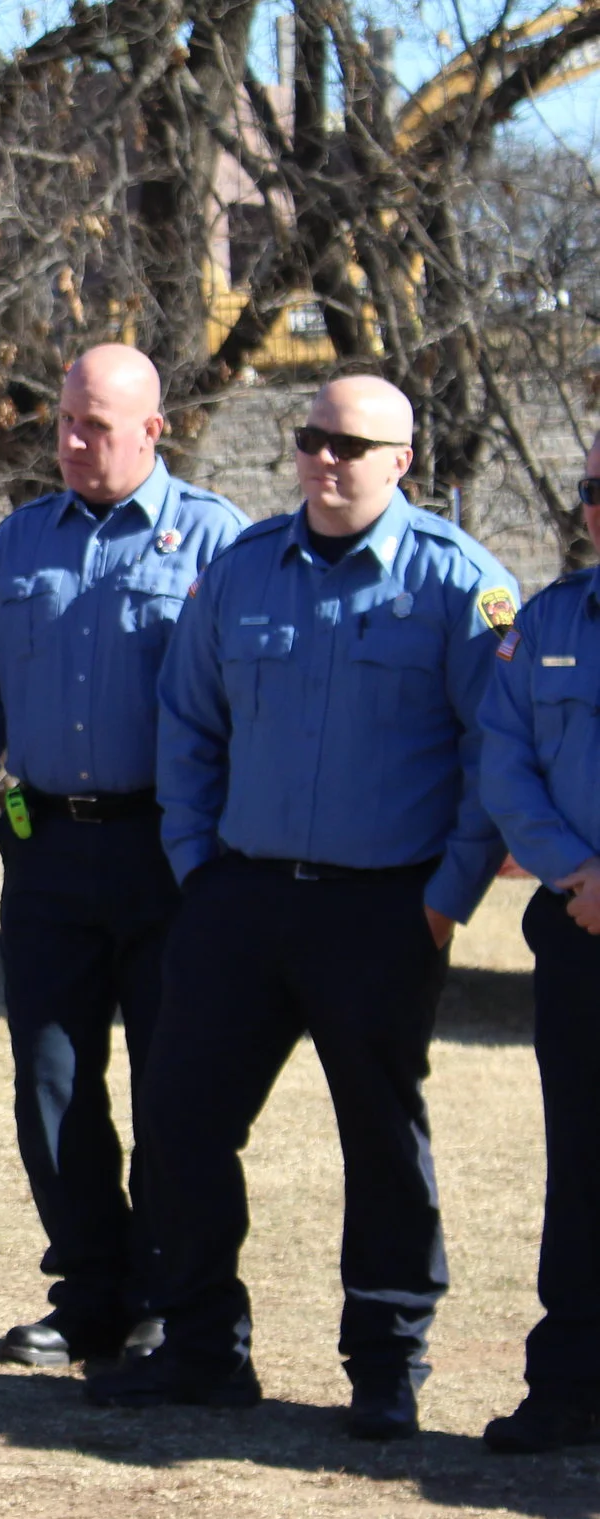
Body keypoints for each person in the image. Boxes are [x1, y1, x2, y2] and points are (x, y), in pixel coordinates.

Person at [90, 375, 519, 1439]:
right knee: (181, 1122)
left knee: (378, 1135)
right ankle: (199, 1346)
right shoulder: (241, 573)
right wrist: (197, 864)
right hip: (240, 897)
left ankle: (384, 1358)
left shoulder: (459, 586)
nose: (325, 461)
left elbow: (493, 752)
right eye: (310, 439)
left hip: (382, 909)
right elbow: (185, 720)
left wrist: (446, 894)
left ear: (400, 461)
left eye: (349, 445)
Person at [0, 345, 249, 1369]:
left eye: (96, 427)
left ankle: (168, 1287)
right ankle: (87, 1288)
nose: (71, 442)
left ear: (152, 430)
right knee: (51, 1079)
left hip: (172, 848)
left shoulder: (214, 540)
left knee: (173, 1083)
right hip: (47, 849)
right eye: (64, 422)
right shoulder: (19, 545)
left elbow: (245, 706)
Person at [475, 434, 600, 1454]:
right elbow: (504, 762)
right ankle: (568, 1382)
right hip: (579, 929)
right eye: (594, 489)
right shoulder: (544, 625)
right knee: (582, 1158)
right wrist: (577, 870)